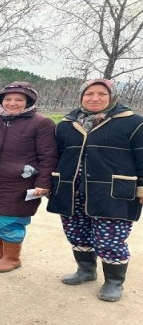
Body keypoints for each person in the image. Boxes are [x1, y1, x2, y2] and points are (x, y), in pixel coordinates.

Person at [47, 79, 143, 302]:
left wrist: (141, 188)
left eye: (102, 94)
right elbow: (57, 157)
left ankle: (114, 282)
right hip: (72, 191)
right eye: (89, 93)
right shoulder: (66, 125)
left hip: (113, 192)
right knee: (76, 232)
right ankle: (86, 271)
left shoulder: (134, 123)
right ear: (81, 96)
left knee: (110, 239)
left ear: (112, 97)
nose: (95, 98)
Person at [0, 82, 57, 272]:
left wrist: (44, 182)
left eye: (19, 99)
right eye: (8, 99)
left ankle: (12, 257)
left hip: (20, 182)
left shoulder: (41, 123)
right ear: (1, 100)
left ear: (28, 102)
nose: (12, 103)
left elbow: (48, 156)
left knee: (10, 222)